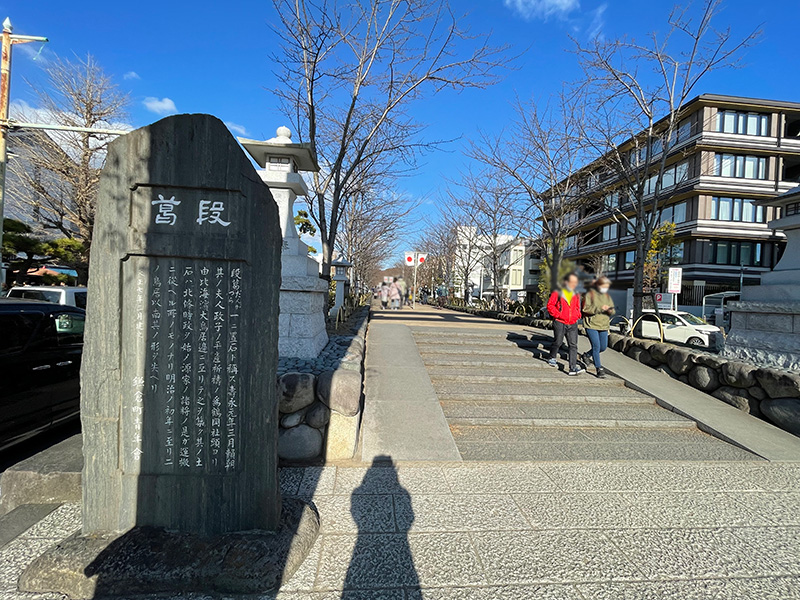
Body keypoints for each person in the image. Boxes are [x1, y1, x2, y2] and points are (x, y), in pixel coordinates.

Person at [546, 273, 584, 375]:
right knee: (558, 341)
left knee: (573, 345)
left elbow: (577, 307)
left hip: (572, 323)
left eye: (576, 282)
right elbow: (550, 305)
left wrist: (577, 315)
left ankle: (572, 367)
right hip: (560, 322)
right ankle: (552, 356)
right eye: (572, 282)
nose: (574, 284)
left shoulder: (576, 293)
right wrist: (558, 315)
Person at [582, 276, 616, 378]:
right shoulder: (589, 294)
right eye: (604, 286)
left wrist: (609, 310)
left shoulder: (607, 296)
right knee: (596, 346)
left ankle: (587, 355)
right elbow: (585, 309)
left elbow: (613, 311)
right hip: (591, 324)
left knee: (603, 347)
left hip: (604, 325)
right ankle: (599, 368)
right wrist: (599, 308)